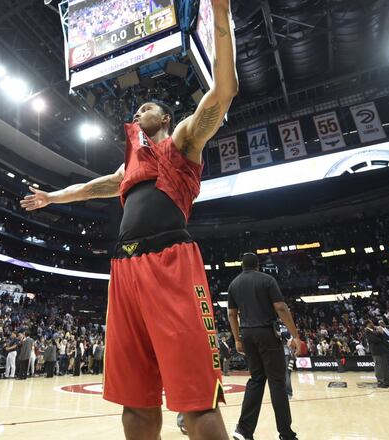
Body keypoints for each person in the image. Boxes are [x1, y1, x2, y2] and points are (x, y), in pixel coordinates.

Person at [21, 1, 238, 436]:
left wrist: (219, 15)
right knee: (134, 403)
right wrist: (52, 198)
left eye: (148, 109)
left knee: (198, 403)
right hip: (123, 268)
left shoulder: (182, 141)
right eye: (136, 111)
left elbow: (224, 92)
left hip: (171, 261)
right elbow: (92, 187)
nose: (138, 112)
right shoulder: (129, 168)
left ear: (167, 118)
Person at [227, 253, 300, 440]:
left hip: (247, 334)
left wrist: (236, 339)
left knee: (256, 380)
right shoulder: (267, 280)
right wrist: (295, 336)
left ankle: (243, 430)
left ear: (242, 266)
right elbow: (281, 308)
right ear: (257, 266)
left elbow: (231, 314)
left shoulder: (233, 284)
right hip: (266, 332)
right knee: (277, 382)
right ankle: (286, 434)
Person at [365, 320, 389, 388]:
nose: (372, 323)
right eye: (371, 322)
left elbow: (383, 339)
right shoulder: (367, 331)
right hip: (376, 351)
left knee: (385, 366)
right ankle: (381, 381)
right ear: (368, 324)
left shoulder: (374, 330)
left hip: (382, 350)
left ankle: (387, 381)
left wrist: (379, 334)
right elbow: (374, 340)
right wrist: (379, 333)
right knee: (379, 367)